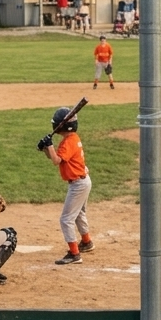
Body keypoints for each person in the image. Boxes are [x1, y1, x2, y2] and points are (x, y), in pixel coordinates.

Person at [37, 106, 94, 265]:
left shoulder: (68, 142)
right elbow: (56, 158)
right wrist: (46, 149)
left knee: (66, 219)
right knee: (78, 214)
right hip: (82, 181)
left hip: (78, 185)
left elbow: (56, 160)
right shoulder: (72, 138)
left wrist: (49, 145)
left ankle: (75, 254)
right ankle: (87, 242)